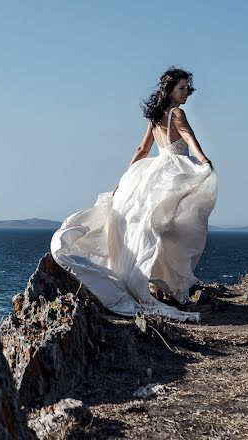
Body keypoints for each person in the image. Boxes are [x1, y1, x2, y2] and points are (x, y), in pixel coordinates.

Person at [51, 67, 218, 321]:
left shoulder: (155, 117)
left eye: (187, 88)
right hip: (173, 171)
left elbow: (142, 149)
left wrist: (125, 178)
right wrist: (204, 161)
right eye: (182, 88)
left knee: (156, 229)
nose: (187, 93)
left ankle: (157, 284)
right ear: (170, 90)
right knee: (178, 228)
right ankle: (162, 286)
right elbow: (188, 137)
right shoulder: (177, 113)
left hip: (153, 171)